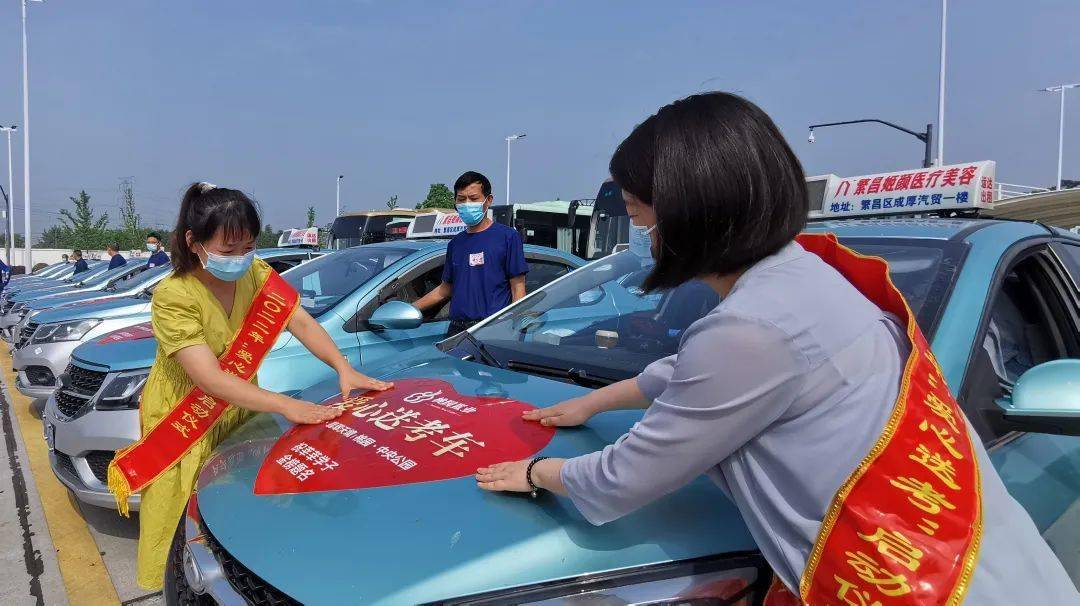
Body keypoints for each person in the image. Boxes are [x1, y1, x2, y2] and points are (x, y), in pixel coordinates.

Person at [476, 93, 1078, 604]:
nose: (641, 235)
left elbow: (620, 479)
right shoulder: (798, 281)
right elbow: (696, 369)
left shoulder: (754, 326)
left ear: (694, 211)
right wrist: (595, 401)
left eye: (639, 215)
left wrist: (533, 471)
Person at [106, 182, 391, 590]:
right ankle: (178, 588)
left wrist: (343, 368)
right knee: (179, 511)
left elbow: (302, 321)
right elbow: (207, 378)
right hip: (186, 416)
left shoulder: (255, 272)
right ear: (194, 242)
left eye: (248, 246)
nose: (240, 258)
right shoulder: (173, 295)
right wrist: (285, 406)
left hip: (241, 406)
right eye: (227, 249)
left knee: (234, 505)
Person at [413, 171, 528, 335]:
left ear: (488, 200)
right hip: (457, 330)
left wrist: (516, 330)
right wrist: (410, 309)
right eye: (461, 199)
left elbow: (518, 288)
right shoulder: (456, 243)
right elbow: (445, 289)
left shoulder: (508, 237)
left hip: (492, 328)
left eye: (473, 199)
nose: (467, 204)